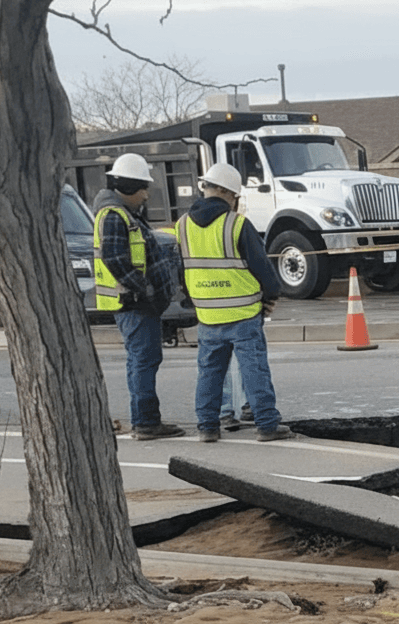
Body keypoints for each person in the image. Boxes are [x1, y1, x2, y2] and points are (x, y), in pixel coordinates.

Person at [175, 163, 292, 443]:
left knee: (209, 373)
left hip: (207, 313)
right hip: (243, 313)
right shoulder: (236, 224)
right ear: (230, 193)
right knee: (254, 370)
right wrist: (271, 296)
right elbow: (262, 268)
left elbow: (182, 269)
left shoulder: (182, 226)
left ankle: (207, 427)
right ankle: (266, 425)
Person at [93, 153, 186, 440]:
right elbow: (115, 259)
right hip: (133, 303)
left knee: (143, 360)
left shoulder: (124, 214)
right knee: (143, 361)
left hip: (138, 303)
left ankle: (147, 419)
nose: (147, 194)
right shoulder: (113, 215)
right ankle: (146, 422)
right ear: (130, 186)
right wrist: (144, 288)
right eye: (143, 187)